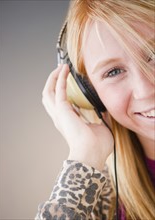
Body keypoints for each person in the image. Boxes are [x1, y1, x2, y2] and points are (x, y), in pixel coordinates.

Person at [35, 0, 155, 219]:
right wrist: (86, 154)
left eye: (154, 53)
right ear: (88, 93)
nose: (145, 90)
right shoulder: (100, 201)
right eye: (114, 72)